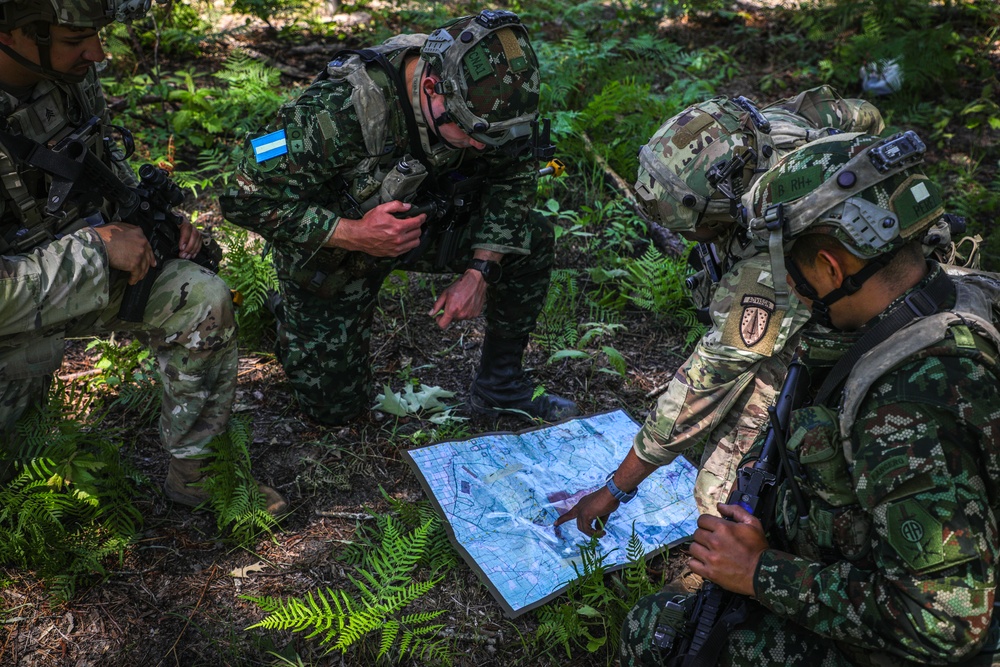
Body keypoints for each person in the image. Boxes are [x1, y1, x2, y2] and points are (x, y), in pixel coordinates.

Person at [621, 131, 1000, 666]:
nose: (790, 289)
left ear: (829, 266)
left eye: (789, 270)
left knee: (654, 631)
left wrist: (760, 573)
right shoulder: (956, 295)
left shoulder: (907, 405)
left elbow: (948, 621)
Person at [220, 10, 577, 426]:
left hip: (425, 224)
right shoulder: (335, 113)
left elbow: (512, 176)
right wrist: (354, 234)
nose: (483, 148)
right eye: (472, 136)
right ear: (431, 88)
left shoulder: (492, 99)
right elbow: (240, 192)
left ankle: (500, 385)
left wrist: (480, 271)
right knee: (334, 413)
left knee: (531, 238)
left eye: (491, 138)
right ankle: (287, 317)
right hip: (335, 253)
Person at [0, 0, 286, 514]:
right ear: (13, 32)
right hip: (19, 298)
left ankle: (201, 477)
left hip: (71, 266)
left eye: (98, 35)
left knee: (202, 299)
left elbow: (98, 162)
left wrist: (150, 217)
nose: (98, 53)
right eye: (73, 40)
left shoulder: (68, 77)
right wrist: (96, 249)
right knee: (17, 485)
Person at [555, 88, 885, 524]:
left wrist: (616, 487)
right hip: (877, 269)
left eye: (697, 229)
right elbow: (867, 116)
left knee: (723, 483)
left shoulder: (771, 266)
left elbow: (707, 381)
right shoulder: (768, 132)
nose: (692, 237)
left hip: (873, 320)